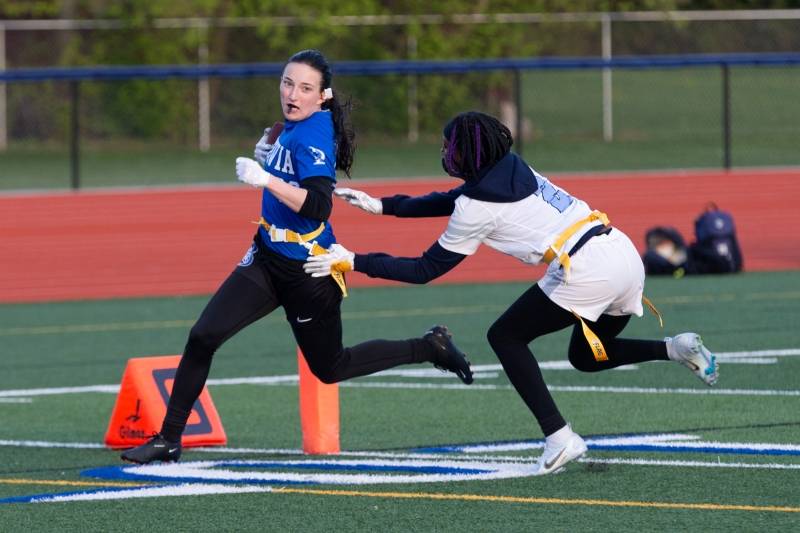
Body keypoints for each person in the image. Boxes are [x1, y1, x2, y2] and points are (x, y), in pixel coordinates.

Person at [304, 111, 719, 476]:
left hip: (586, 269)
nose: (446, 153)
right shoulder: (515, 166)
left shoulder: (476, 208)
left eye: (450, 147)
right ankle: (675, 349)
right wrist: (383, 206)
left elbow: (424, 269)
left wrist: (353, 260)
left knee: (505, 336)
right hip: (621, 252)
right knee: (587, 356)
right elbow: (455, 197)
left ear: (468, 154)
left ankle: (559, 437)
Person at [120, 50, 473, 465]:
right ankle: (170, 439)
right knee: (203, 336)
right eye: (288, 83)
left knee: (331, 367)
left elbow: (320, 206)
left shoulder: (313, 134)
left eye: (305, 88)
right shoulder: (292, 125)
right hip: (268, 255)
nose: (292, 93)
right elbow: (293, 172)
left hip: (309, 269)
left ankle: (429, 347)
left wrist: (266, 177)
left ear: (322, 96)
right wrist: (274, 162)